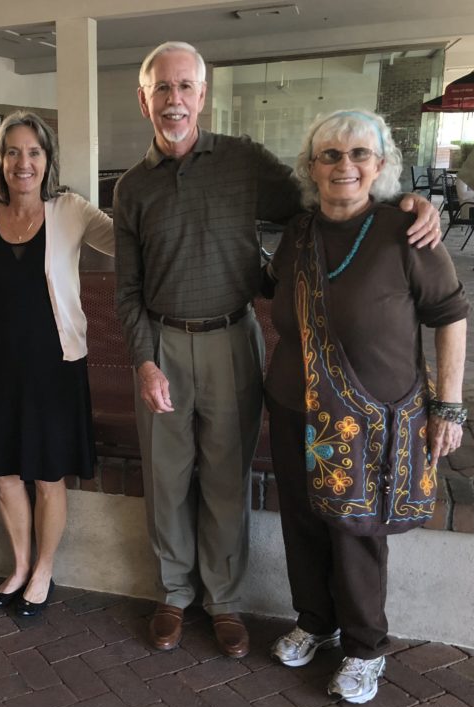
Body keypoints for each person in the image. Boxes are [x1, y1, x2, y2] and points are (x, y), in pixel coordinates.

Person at [113, 41, 442, 659]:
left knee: (226, 477)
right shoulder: (132, 188)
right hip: (162, 346)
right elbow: (127, 289)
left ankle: (224, 600)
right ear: (144, 98)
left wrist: (410, 204)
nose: (174, 100)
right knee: (166, 478)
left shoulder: (243, 162)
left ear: (202, 96)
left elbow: (334, 198)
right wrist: (144, 358)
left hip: (234, 337)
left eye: (186, 87)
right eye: (162, 88)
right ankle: (175, 593)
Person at [263, 109, 468, 704]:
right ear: (311, 167)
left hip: (369, 416)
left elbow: (450, 314)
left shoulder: (408, 231)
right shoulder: (299, 233)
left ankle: (364, 647)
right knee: (301, 518)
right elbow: (275, 292)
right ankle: (316, 621)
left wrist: (449, 407)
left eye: (358, 155)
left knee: (356, 527)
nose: (344, 166)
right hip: (294, 404)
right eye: (330, 155)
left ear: (380, 166)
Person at [0, 112, 113, 617]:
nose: (22, 162)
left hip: (56, 366)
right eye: (12, 152)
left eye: (33, 152)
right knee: (5, 473)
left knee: (49, 476)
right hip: (1, 366)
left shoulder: (70, 210)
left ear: (47, 160)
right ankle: (21, 565)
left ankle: (45, 570)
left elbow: (126, 243)